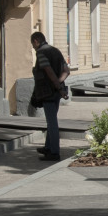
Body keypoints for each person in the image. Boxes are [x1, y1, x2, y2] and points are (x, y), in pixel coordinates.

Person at [30, 31, 70, 161]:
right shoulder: (56, 51)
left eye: (33, 44)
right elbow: (66, 71)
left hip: (47, 92)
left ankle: (54, 152)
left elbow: (49, 71)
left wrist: (56, 85)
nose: (33, 47)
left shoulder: (42, 52)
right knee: (51, 120)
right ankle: (48, 147)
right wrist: (60, 85)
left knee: (52, 123)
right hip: (57, 92)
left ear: (36, 41)